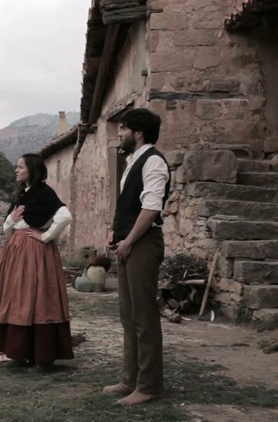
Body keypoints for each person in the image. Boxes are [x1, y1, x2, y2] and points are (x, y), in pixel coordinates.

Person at [102, 108, 170, 405]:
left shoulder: (153, 161)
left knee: (144, 316)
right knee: (128, 316)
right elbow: (129, 207)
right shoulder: (132, 161)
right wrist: (115, 233)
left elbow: (151, 208)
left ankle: (149, 385)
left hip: (142, 244)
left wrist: (129, 240)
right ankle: (130, 379)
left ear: (138, 133)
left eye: (123, 128)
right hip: (128, 243)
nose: (119, 133)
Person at [0, 153, 74, 371]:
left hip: (34, 252)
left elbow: (65, 216)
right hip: (15, 251)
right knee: (17, 297)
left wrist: (45, 236)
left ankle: (42, 354)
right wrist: (11, 219)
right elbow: (6, 227)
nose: (16, 170)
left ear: (32, 170)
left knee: (37, 298)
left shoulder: (44, 193)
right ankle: (20, 352)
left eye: (20, 167)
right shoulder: (22, 194)